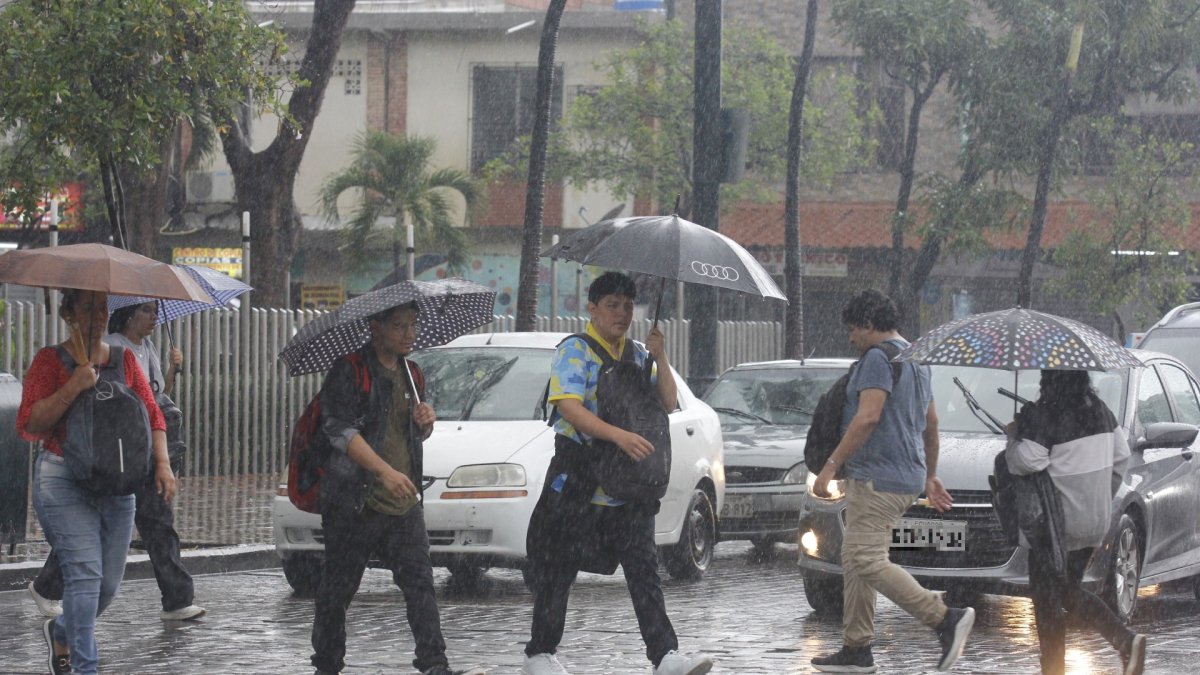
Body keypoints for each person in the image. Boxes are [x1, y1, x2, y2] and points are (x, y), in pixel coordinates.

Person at [522, 271, 713, 675]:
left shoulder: (639, 355)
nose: (622, 314)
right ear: (592, 309)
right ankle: (540, 654)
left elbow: (666, 402)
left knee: (644, 570)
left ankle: (665, 656)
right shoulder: (575, 351)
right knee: (558, 568)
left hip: (627, 485)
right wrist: (619, 436)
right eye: (612, 305)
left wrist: (660, 357)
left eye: (628, 306)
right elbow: (568, 407)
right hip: (579, 481)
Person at [310, 302, 484, 675]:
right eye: (399, 326)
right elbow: (339, 431)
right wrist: (384, 471)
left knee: (421, 584)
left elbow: (408, 434)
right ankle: (327, 664)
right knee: (338, 591)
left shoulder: (413, 373)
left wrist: (426, 422)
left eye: (413, 325)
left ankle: (434, 663)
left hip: (403, 504)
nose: (409, 334)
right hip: (353, 502)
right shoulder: (350, 370)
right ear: (376, 327)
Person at [810, 289, 974, 673]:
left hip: (877, 477)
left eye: (853, 330)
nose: (851, 338)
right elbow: (931, 424)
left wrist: (831, 464)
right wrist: (931, 475)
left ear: (869, 324)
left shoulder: (876, 360)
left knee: (862, 557)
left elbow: (868, 417)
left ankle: (944, 619)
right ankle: (857, 649)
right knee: (859, 560)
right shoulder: (918, 357)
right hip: (906, 476)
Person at [18, 289, 175, 675]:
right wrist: (72, 387)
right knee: (86, 576)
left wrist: (163, 463)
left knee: (106, 586)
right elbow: (31, 423)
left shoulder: (123, 360)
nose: (99, 316)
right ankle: (87, 667)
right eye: (88, 308)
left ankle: (62, 629)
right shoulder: (49, 362)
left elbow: (152, 413)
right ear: (68, 312)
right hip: (64, 480)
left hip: (118, 484)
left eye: (103, 308)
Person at [28, 301, 205, 622]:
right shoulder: (111, 350)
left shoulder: (144, 349)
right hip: (109, 455)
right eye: (146, 311)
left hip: (141, 448)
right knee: (94, 534)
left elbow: (154, 400)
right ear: (128, 316)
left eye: (155, 311)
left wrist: (171, 368)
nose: (153, 318)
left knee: (157, 523)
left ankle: (177, 598)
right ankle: (50, 591)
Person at [1006, 369, 1145, 675]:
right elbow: (1121, 456)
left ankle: (1053, 669)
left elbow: (1029, 460)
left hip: (1054, 526)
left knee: (1046, 599)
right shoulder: (1102, 412)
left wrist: (1014, 438)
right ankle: (1125, 642)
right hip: (1093, 521)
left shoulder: (1046, 414)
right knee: (1068, 590)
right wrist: (1098, 496)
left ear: (1048, 380)